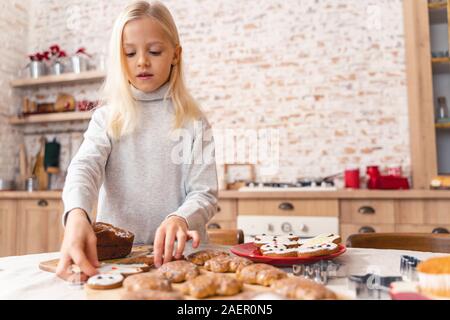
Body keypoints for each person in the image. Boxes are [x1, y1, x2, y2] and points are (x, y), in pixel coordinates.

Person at [56, 0, 218, 282]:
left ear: (175, 55)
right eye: (129, 53)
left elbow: (204, 193)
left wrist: (180, 218)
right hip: (119, 263)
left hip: (181, 261)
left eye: (154, 51)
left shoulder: (194, 122)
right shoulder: (107, 118)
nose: (142, 61)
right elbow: (84, 167)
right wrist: (77, 213)